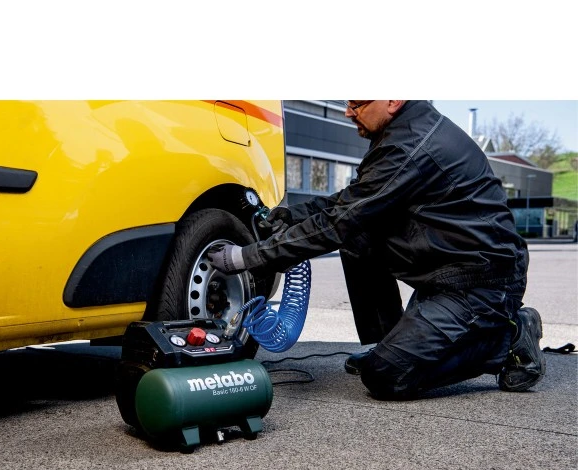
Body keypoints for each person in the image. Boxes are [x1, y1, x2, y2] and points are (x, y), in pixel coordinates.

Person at [208, 100, 546, 399]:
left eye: (357, 104)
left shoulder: (410, 145)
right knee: (358, 240)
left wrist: (246, 258)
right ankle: (385, 343)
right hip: (447, 267)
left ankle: (508, 337)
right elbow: (352, 203)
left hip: (481, 286)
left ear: (393, 99)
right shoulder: (399, 133)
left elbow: (339, 223)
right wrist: (293, 215)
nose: (348, 112)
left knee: (386, 377)